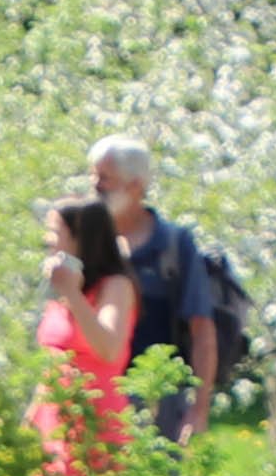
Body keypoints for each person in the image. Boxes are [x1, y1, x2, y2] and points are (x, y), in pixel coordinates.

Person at [90, 136, 234, 435]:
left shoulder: (173, 245)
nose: (95, 186)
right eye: (93, 175)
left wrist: (199, 410)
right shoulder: (88, 243)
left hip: (159, 406)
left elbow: (202, 330)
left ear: (136, 186)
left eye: (105, 178)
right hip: (93, 401)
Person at [29, 189, 137, 476]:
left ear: (80, 239)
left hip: (95, 422)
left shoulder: (114, 286)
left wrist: (73, 295)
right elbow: (51, 362)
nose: (48, 240)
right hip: (54, 420)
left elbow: (108, 347)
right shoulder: (63, 292)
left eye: (55, 232)